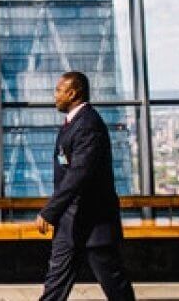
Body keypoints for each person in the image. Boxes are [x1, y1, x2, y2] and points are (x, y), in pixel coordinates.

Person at [35, 71, 135, 301]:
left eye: (59, 90)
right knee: (55, 284)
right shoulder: (73, 124)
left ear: (73, 93)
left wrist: (50, 211)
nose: (55, 95)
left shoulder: (89, 124)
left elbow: (78, 175)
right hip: (70, 221)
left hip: (94, 222)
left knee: (114, 283)